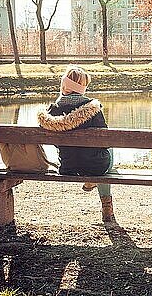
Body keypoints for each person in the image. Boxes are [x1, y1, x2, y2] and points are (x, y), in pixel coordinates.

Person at [37, 65, 116, 222]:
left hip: (68, 167)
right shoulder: (93, 109)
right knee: (109, 149)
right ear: (83, 87)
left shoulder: (52, 111)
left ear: (64, 84)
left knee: (94, 155)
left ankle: (93, 181)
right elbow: (105, 141)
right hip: (96, 167)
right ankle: (106, 204)